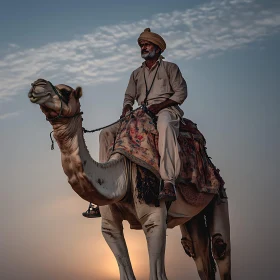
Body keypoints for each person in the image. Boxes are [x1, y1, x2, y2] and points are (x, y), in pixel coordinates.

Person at [83, 28, 188, 218]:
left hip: (166, 110)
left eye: (147, 44)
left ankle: (168, 182)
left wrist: (161, 105)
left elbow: (180, 93)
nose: (144, 47)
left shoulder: (170, 68)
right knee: (105, 133)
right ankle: (104, 187)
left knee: (164, 125)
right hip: (142, 112)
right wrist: (126, 108)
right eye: (142, 45)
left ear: (158, 47)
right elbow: (129, 96)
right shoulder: (136, 74)